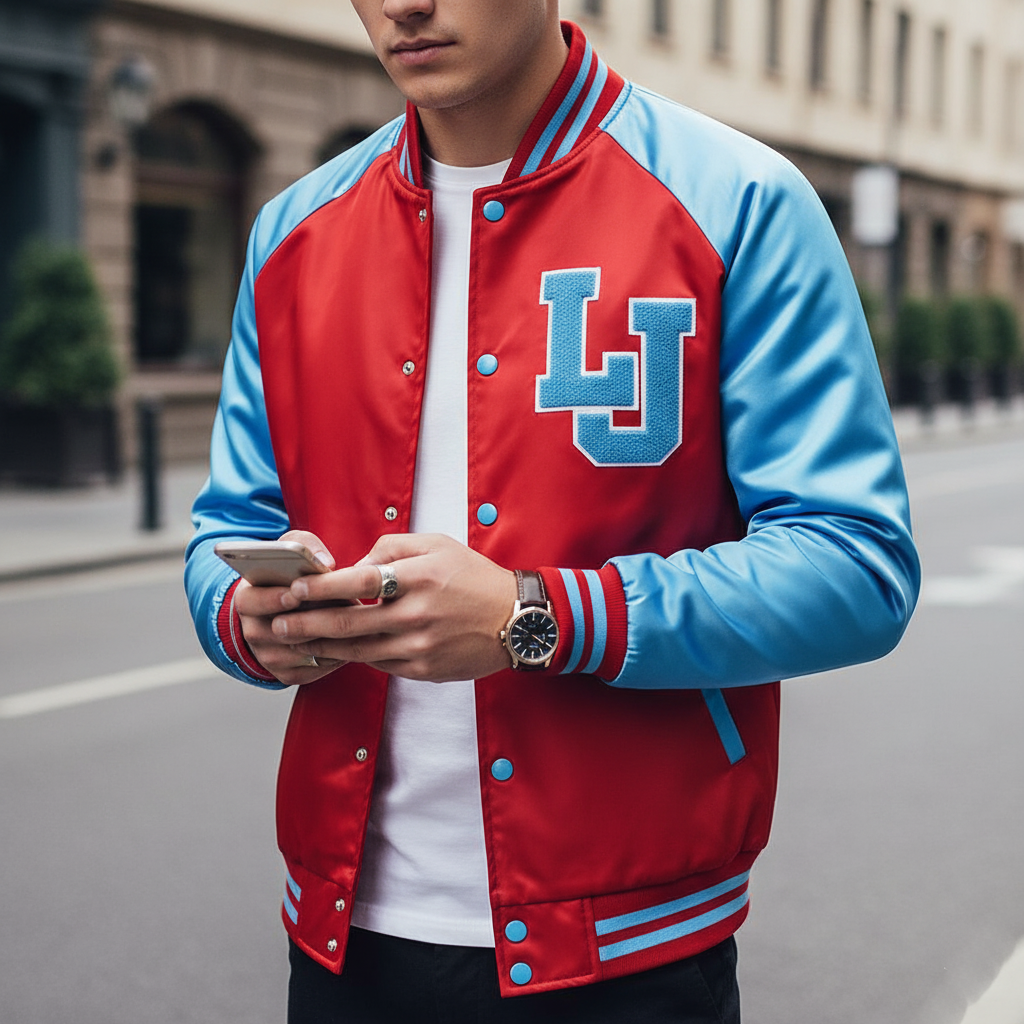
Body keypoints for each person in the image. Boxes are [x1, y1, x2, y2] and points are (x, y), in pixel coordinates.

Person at [185, 2, 920, 1021]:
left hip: (631, 949)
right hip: (342, 935)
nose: (404, 3)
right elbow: (225, 527)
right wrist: (251, 619)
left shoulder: (738, 200)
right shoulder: (292, 232)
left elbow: (858, 567)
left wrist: (534, 614)